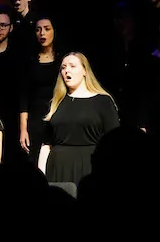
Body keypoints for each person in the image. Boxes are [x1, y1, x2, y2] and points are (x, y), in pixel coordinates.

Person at [38, 52, 120, 185]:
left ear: (84, 71)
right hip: (58, 167)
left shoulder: (103, 101)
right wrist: (41, 178)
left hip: (89, 167)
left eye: (72, 66)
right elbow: (46, 144)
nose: (66, 70)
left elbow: (114, 142)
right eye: (63, 67)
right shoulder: (56, 103)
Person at [18, 16, 61, 165]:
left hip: (58, 115)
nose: (42, 33)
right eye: (38, 29)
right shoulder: (29, 61)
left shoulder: (63, 59)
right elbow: (24, 97)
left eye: (47, 29)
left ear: (54, 31)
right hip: (36, 118)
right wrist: (23, 129)